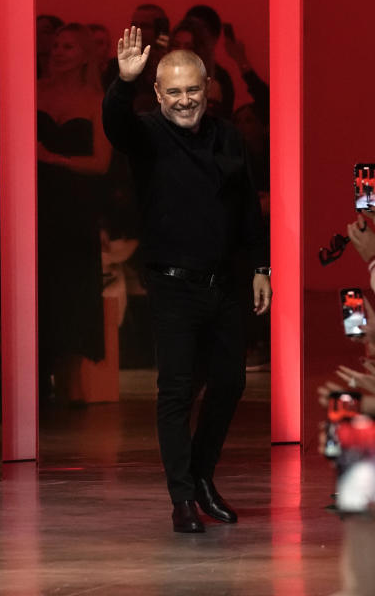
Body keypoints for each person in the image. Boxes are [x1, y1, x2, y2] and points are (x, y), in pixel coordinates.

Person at [102, 28, 270, 533]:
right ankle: (181, 498)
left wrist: (262, 267)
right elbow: (115, 126)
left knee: (230, 383)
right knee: (175, 391)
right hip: (173, 286)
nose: (184, 100)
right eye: (172, 92)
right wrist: (121, 82)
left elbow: (248, 211)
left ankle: (200, 477)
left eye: (191, 90)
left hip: (224, 285)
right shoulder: (148, 133)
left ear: (208, 87)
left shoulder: (229, 137)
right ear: (158, 94)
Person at [36, 24, 111, 398]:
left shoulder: (97, 100)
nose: (59, 51)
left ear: (84, 54)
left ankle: (70, 387)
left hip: (75, 208)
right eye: (56, 45)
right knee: (43, 292)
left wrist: (53, 158)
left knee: (72, 297)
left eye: (68, 46)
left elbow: (101, 162)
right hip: (39, 204)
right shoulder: (34, 92)